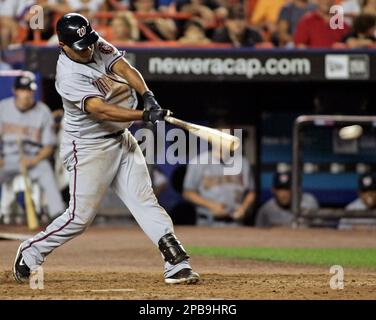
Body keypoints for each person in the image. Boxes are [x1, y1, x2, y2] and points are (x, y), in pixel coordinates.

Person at [12, 13, 199, 285]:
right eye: (80, 47)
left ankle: (176, 262)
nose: (87, 49)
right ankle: (31, 251)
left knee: (144, 200)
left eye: (88, 42)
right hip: (88, 147)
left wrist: (149, 97)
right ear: (62, 46)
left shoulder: (92, 42)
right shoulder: (67, 75)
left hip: (120, 139)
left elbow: (124, 68)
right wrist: (143, 116)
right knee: (79, 218)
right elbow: (101, 111)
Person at [0, 72, 66, 224]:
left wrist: (33, 160)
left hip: (34, 159)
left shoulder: (43, 111)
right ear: (15, 91)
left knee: (46, 173)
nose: (27, 94)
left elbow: (49, 147)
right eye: (23, 90)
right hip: (7, 159)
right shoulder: (3, 108)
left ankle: (57, 216)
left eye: (30, 91)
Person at [183, 142, 256, 226]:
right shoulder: (199, 162)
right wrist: (211, 205)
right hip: (207, 223)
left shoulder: (242, 162)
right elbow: (188, 193)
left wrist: (244, 208)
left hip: (235, 223)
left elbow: (251, 192)